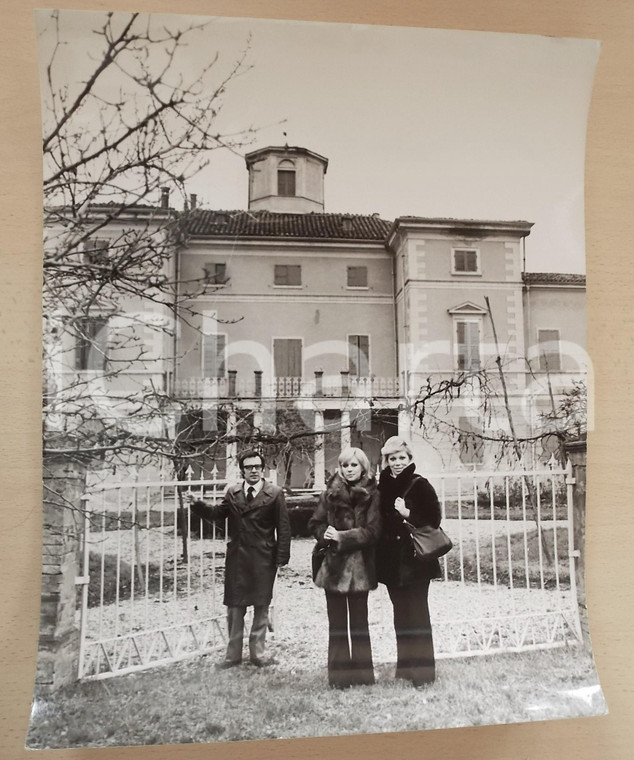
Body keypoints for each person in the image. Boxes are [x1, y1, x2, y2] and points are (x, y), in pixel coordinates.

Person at [185, 449, 291, 669]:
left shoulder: (275, 493)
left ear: (263, 469)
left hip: (263, 557)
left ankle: (258, 654)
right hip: (238, 558)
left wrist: (281, 556)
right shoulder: (233, 493)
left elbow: (283, 527)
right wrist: (198, 504)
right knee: (235, 607)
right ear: (242, 471)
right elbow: (217, 513)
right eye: (248, 467)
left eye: (257, 466)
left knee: (261, 605)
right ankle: (232, 656)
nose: (253, 470)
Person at [308, 447, 381, 688]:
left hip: (360, 568)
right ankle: (338, 678)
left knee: (360, 622)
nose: (349, 470)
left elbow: (373, 531)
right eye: (345, 465)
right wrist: (325, 535)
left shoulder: (372, 494)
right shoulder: (329, 494)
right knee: (336, 623)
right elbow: (315, 523)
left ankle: (362, 676)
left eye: (354, 465)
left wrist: (343, 536)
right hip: (334, 568)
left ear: (363, 467)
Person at [375, 436, 442, 687]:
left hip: (416, 561)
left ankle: (424, 674)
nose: (397, 462)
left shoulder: (420, 484)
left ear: (409, 459)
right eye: (393, 458)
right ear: (387, 461)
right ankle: (405, 668)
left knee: (418, 615)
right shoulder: (381, 487)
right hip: (391, 562)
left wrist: (408, 514)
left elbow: (434, 519)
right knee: (400, 615)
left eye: (402, 457)